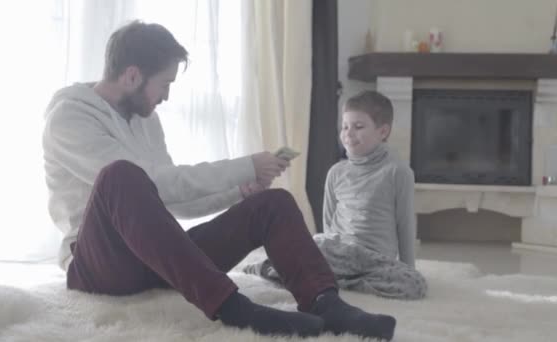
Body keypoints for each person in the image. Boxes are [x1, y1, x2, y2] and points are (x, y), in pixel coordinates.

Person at [42, 21, 396, 340]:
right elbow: (153, 183)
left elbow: (169, 198)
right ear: (133, 76)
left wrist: (238, 191)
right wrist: (244, 166)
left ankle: (324, 302)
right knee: (120, 175)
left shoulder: (144, 118)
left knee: (273, 205)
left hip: (156, 259)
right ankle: (234, 308)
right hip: (99, 268)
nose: (166, 97)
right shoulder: (70, 116)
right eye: (164, 84)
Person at [245, 90, 427, 300]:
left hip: (374, 260)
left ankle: (330, 279)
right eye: (345, 126)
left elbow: (405, 224)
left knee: (415, 285)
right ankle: (276, 268)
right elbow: (329, 222)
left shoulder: (398, 171)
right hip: (338, 252)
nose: (348, 134)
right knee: (309, 248)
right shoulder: (336, 172)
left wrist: (408, 268)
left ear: (383, 131)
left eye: (358, 127)